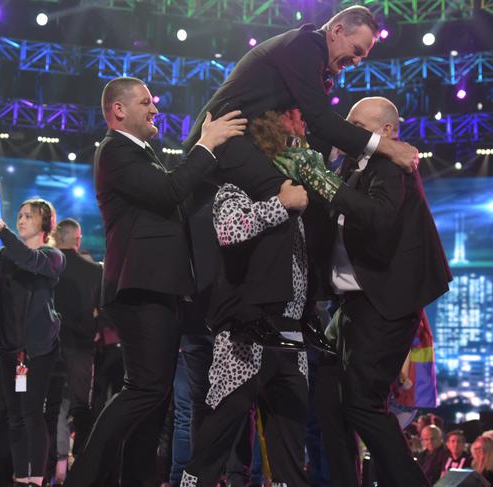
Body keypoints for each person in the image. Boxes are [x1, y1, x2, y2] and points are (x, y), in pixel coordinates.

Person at [184, 6, 419, 348]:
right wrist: (384, 146)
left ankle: (306, 311)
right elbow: (321, 119)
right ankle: (253, 314)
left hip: (247, 144)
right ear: (337, 30)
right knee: (287, 197)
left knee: (316, 206)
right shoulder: (304, 46)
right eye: (357, 51)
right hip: (224, 139)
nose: (357, 62)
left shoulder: (314, 60)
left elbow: (316, 128)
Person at [64, 76, 246, 487]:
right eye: (146, 102)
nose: (155, 109)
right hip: (140, 287)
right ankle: (83, 477)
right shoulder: (115, 150)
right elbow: (170, 191)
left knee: (156, 396)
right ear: (119, 110)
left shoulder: (143, 153)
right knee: (145, 389)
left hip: (159, 287)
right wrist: (207, 143)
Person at [278, 97, 451, 487]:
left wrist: (325, 182)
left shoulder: (391, 165)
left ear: (387, 132)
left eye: (358, 125)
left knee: (361, 402)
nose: (348, 132)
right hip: (352, 306)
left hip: (384, 305)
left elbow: (377, 218)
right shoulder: (358, 168)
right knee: (328, 400)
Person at [181, 109, 311, 487]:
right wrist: (280, 204)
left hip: (291, 331)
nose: (297, 149)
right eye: (288, 142)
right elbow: (230, 229)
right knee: (219, 432)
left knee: (290, 438)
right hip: (247, 329)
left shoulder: (296, 194)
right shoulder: (236, 188)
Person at [0, 199, 65, 487]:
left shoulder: (51, 256)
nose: (21, 219)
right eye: (19, 215)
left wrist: (0, 226)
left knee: (32, 413)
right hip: (7, 348)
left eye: (29, 216)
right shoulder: (7, 255)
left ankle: (37, 478)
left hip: (37, 349)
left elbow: (29, 261)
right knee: (14, 415)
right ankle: (21, 475)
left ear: (45, 223)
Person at [50, 218, 102, 480]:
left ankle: (57, 466)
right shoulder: (94, 271)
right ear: (78, 239)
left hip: (51, 345)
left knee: (53, 406)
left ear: (57, 237)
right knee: (82, 408)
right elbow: (104, 311)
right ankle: (82, 465)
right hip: (82, 349)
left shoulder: (47, 264)